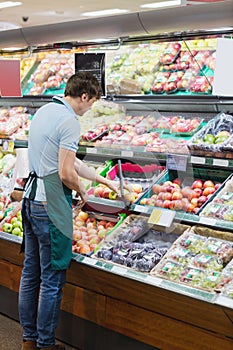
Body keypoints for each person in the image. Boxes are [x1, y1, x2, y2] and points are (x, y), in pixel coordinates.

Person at [19, 72, 120, 350]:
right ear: (84, 96)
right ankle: (46, 344)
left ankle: (29, 341)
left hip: (30, 200)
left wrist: (103, 180)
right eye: (91, 103)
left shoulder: (44, 112)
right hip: (51, 206)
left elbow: (69, 162)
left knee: (31, 274)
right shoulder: (69, 122)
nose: (89, 110)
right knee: (52, 280)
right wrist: (83, 192)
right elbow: (66, 172)